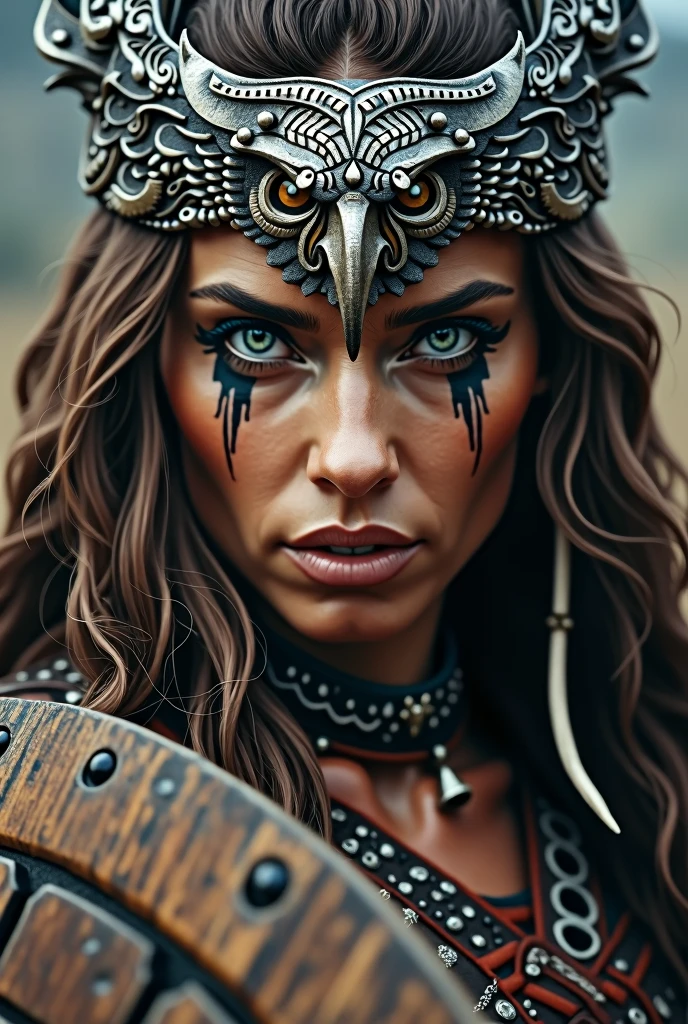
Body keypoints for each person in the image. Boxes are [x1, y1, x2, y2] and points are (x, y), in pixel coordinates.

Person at [0, 0, 686, 1015]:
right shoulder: (36, 818)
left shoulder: (645, 767)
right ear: (147, 367)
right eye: (257, 344)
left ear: (553, 361)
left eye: (447, 342)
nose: (354, 454)